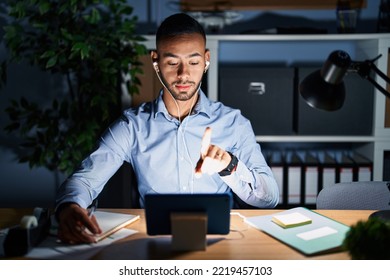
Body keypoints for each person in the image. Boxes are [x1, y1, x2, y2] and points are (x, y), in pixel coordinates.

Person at [55, 13, 279, 244]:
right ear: (156, 61)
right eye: (172, 62)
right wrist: (69, 207)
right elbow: (85, 180)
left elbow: (269, 199)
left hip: (217, 240)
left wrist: (229, 165)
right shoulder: (133, 126)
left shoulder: (234, 123)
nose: (183, 74)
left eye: (193, 62)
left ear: (206, 60)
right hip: (153, 241)